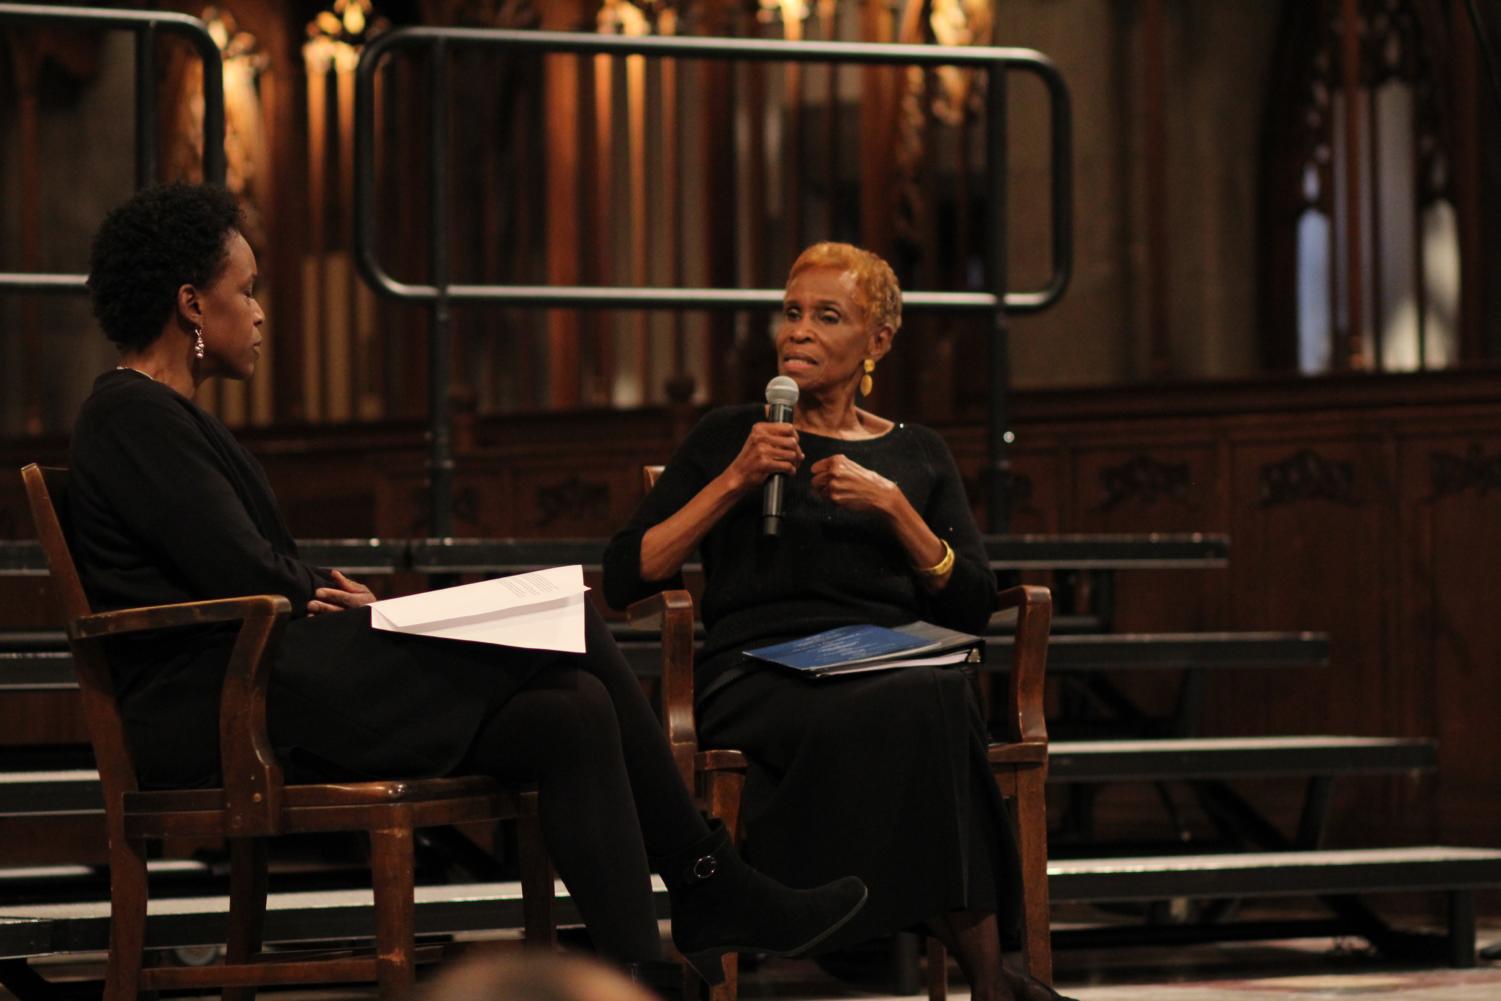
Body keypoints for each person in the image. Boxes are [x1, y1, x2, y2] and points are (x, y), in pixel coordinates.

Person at [69, 183, 867, 988]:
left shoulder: (171, 415)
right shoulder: (131, 415)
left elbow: (251, 566)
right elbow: (238, 570)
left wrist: (328, 592)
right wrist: (334, 593)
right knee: (573, 620)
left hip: (275, 675)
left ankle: (638, 970)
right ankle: (708, 879)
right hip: (222, 701)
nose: (261, 311)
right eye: (246, 290)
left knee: (571, 709)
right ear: (190, 305)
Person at [603, 242, 1077, 1001]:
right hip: (757, 669)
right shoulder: (731, 435)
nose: (799, 332)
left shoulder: (917, 452)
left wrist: (895, 508)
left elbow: (970, 600)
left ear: (877, 341)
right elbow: (628, 575)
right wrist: (735, 480)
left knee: (933, 691)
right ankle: (994, 979)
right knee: (933, 705)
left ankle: (982, 977)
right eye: (791, 313)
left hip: (886, 659)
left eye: (827, 317)